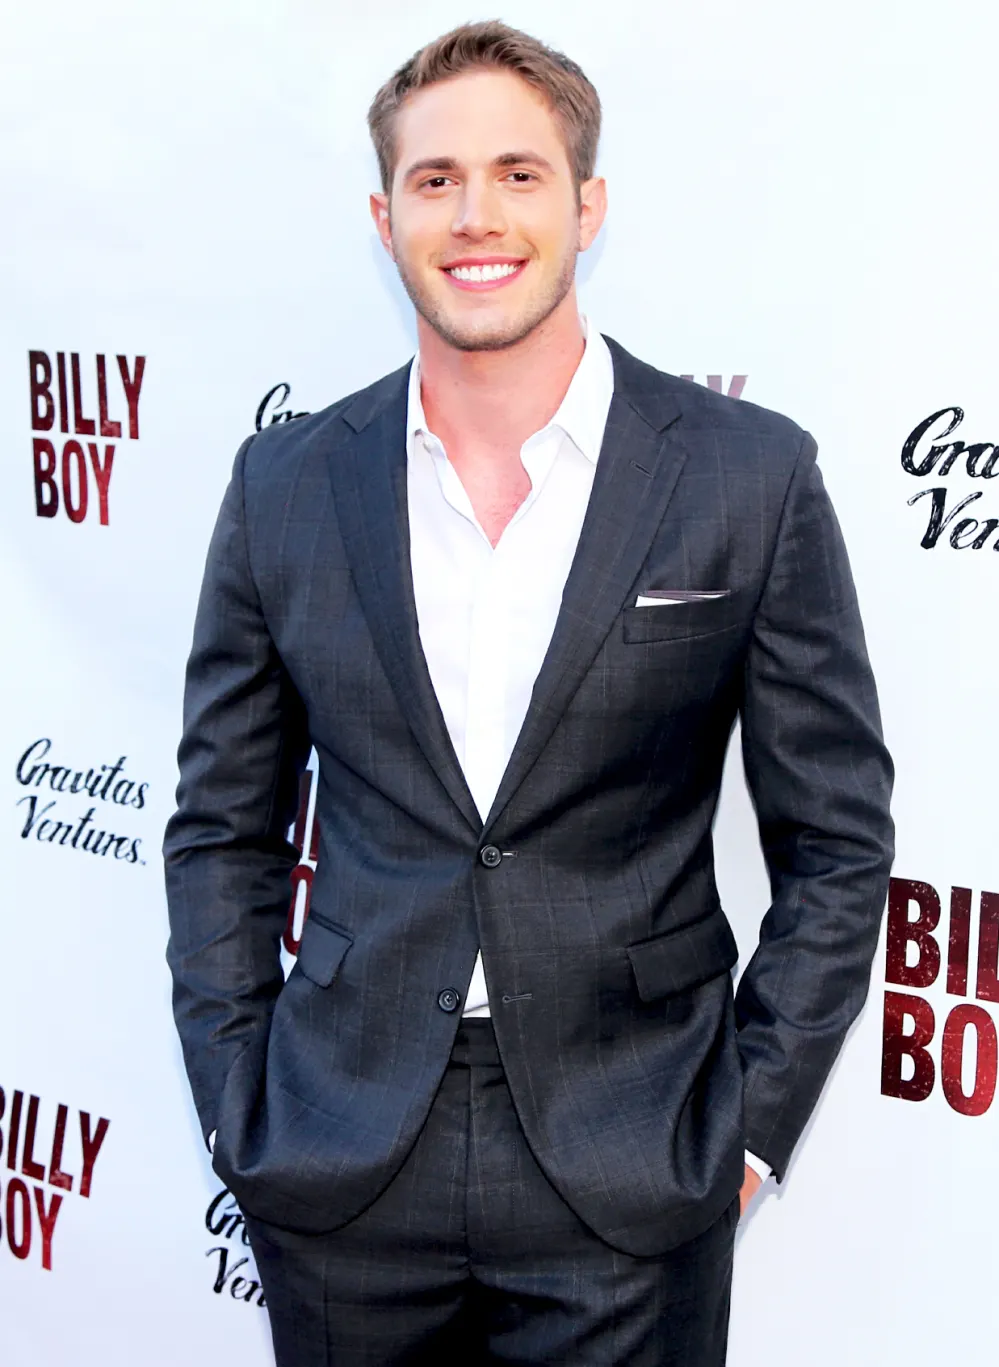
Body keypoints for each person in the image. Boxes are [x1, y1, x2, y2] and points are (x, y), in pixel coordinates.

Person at [164, 20, 894, 1366]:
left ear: (586, 206)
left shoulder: (746, 476)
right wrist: (237, 1101)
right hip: (339, 1154)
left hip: (632, 1156)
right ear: (384, 219)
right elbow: (220, 826)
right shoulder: (282, 485)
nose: (476, 214)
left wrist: (741, 1131)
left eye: (517, 172)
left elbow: (837, 842)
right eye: (435, 180)